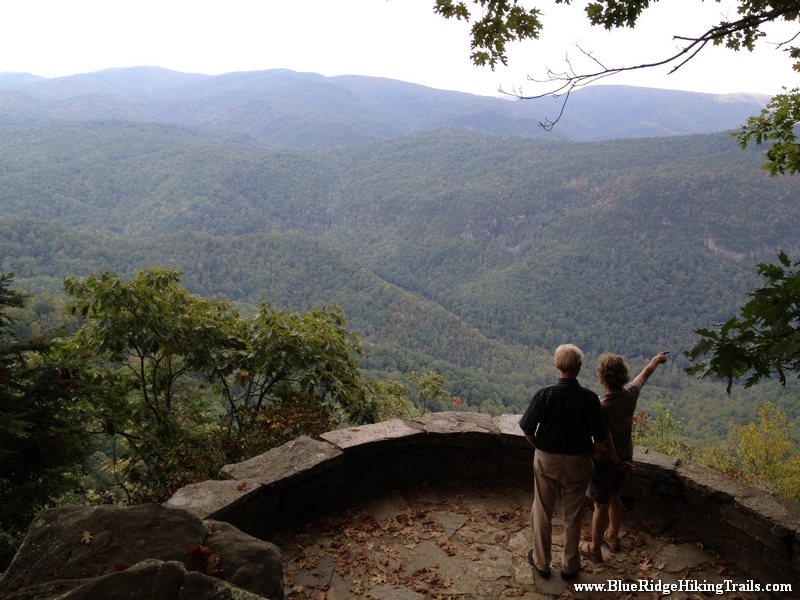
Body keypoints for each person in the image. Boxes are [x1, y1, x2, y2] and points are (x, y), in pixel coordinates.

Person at [519, 344, 633, 580]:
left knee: (541, 511)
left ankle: (541, 562)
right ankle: (570, 566)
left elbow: (528, 430)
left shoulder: (544, 394)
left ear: (556, 365)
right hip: (579, 463)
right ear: (579, 368)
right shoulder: (590, 399)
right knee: (573, 515)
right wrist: (589, 452)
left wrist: (539, 444)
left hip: (546, 460)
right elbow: (601, 439)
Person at [580, 351, 669, 562]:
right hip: (626, 456)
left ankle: (594, 548)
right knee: (615, 498)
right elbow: (645, 375)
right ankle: (613, 537)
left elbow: (605, 441)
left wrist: (616, 462)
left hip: (605, 462)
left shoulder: (602, 406)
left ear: (602, 378)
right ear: (624, 376)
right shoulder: (630, 393)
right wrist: (654, 360)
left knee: (600, 505)